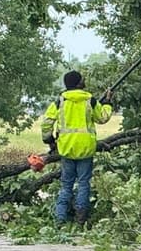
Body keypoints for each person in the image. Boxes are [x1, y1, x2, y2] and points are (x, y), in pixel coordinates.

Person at [41, 70, 113, 225]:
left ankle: (60, 219)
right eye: (82, 79)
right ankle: (81, 219)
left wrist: (50, 140)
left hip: (66, 148)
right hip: (86, 149)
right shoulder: (90, 100)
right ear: (79, 83)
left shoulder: (60, 101)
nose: (84, 81)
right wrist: (107, 102)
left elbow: (46, 123)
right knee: (83, 183)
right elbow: (103, 118)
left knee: (66, 185)